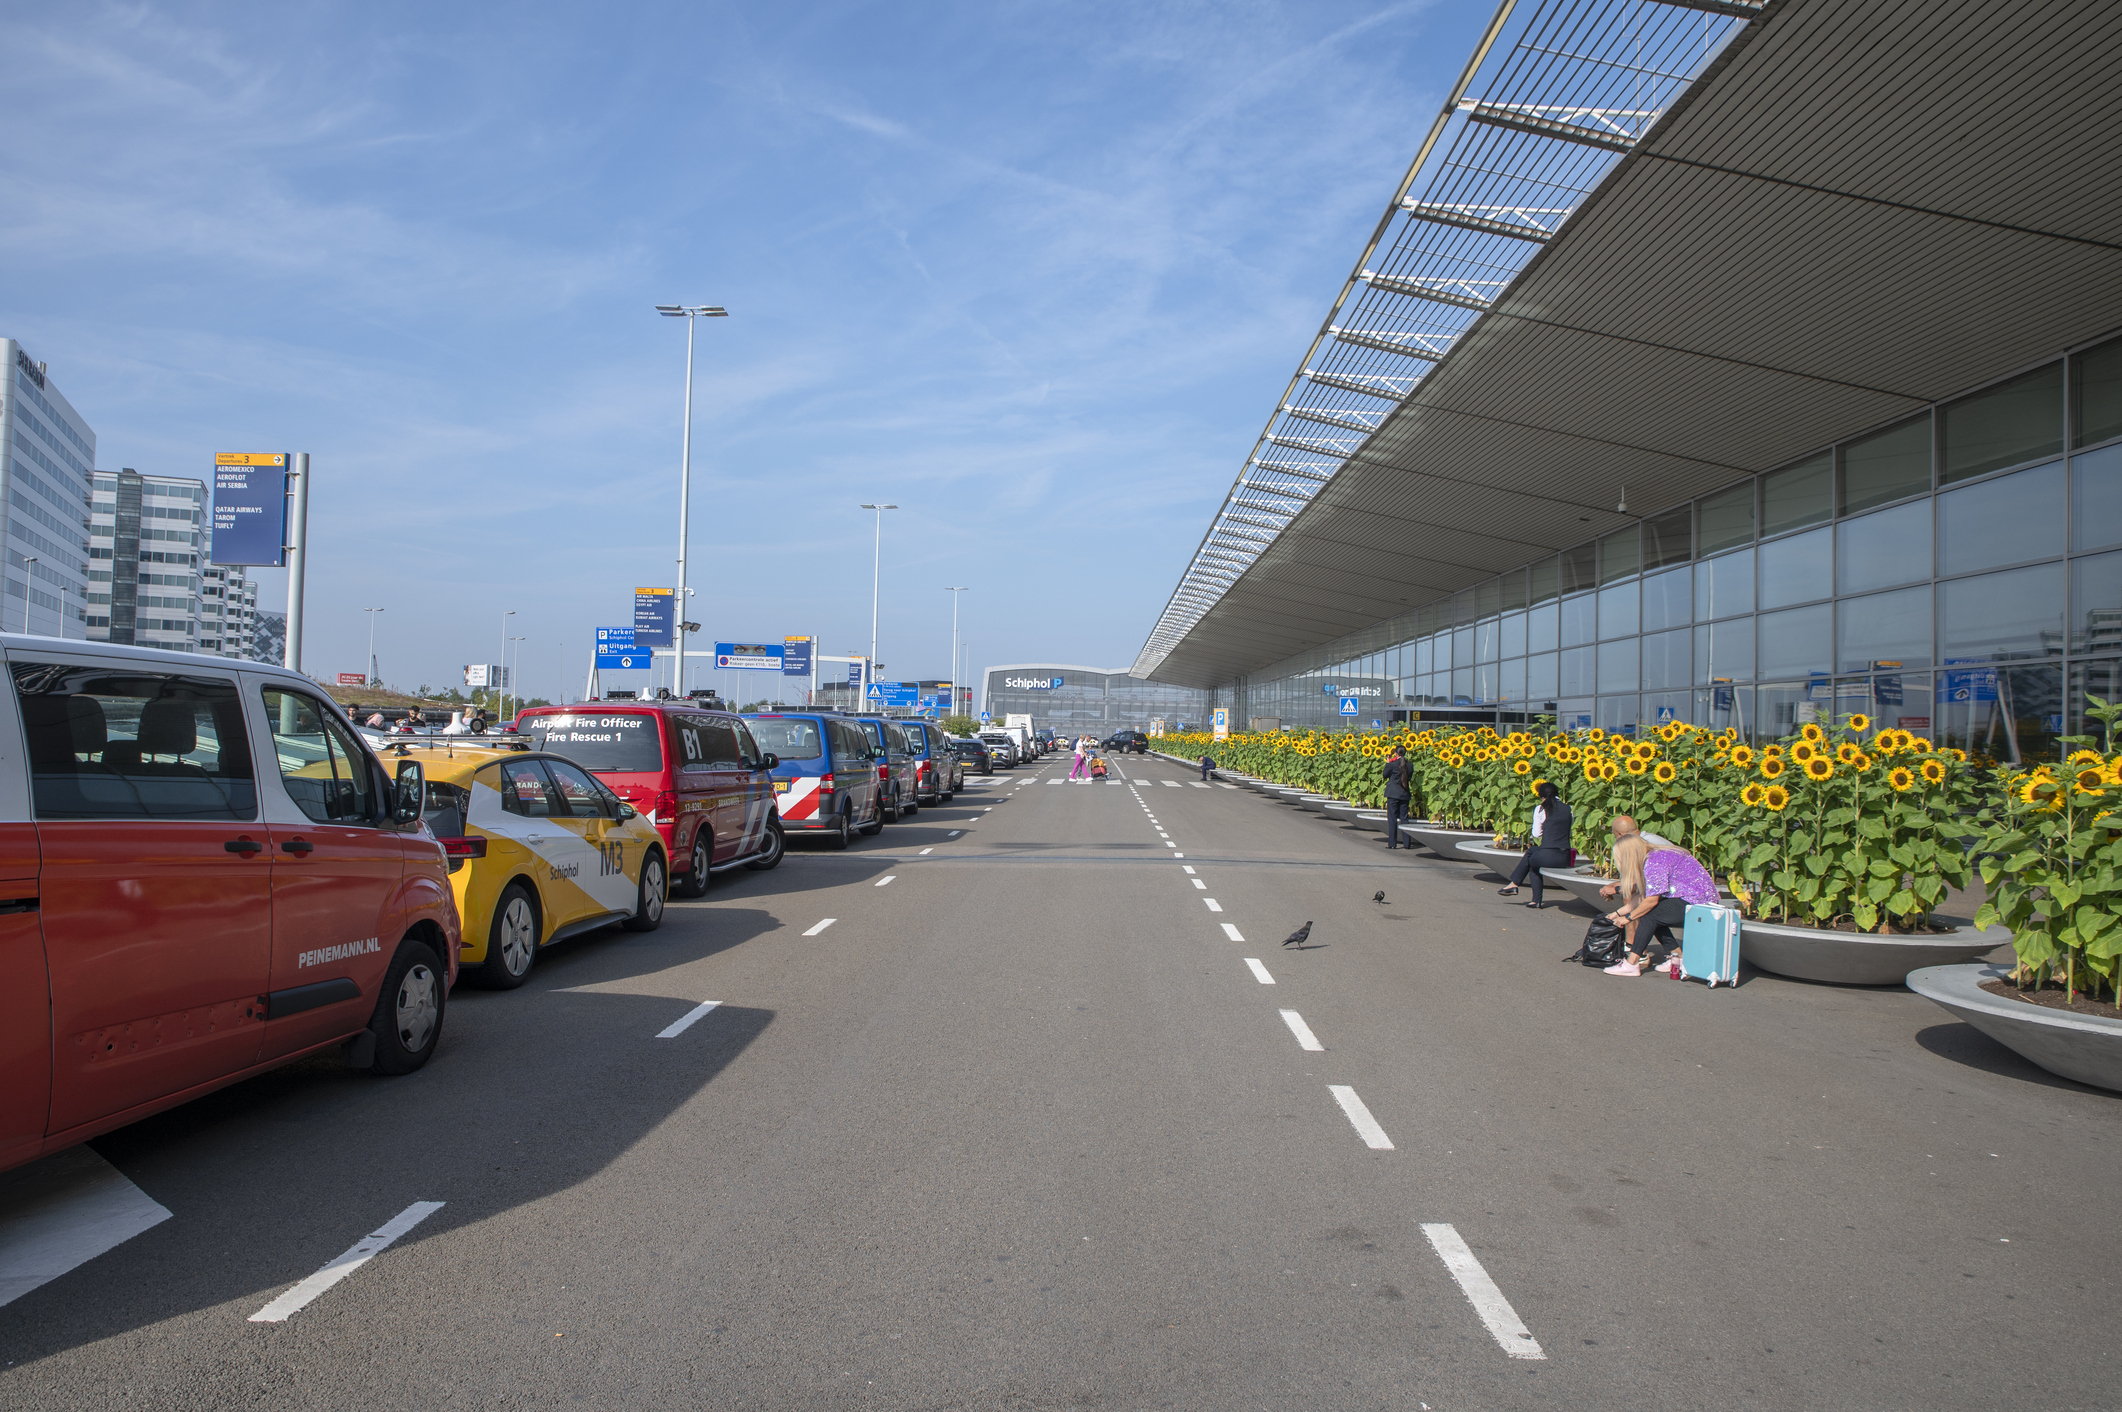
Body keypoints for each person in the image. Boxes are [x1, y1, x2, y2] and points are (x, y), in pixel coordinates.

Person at [1601, 833, 1720, 976]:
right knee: (1655, 915)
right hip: (1699, 898)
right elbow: (1645, 897)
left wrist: (1628, 918)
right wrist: (1616, 915)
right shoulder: (1656, 855)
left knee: (1649, 916)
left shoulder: (1653, 863)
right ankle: (1677, 958)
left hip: (1697, 902)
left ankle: (1631, 963)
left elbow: (1650, 901)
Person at [1496, 781, 1572, 907]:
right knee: (1533, 855)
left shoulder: (1541, 809)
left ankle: (1523, 891)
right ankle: (1516, 887)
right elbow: (1568, 833)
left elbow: (1536, 834)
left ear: (1542, 796)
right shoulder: (1568, 808)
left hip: (1549, 856)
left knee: (1532, 857)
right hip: (1566, 857)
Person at [1382, 746, 1413, 850]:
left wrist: (1387, 763)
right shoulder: (1410, 765)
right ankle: (1407, 843)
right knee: (1404, 818)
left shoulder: (1392, 764)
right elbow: (1409, 778)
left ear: (1396, 753)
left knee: (1392, 818)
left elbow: (1385, 775)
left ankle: (1392, 843)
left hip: (1393, 794)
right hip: (1404, 794)